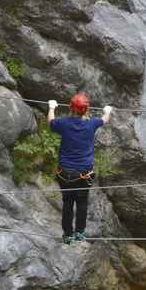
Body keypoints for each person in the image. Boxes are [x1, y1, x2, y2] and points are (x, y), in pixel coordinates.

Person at [47, 93, 113, 243]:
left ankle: (67, 235)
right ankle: (80, 233)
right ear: (87, 109)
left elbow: (51, 122)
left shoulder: (63, 124)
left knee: (68, 203)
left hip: (65, 173)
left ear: (71, 108)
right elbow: (104, 120)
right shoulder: (92, 124)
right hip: (84, 174)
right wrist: (107, 111)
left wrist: (51, 108)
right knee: (82, 202)